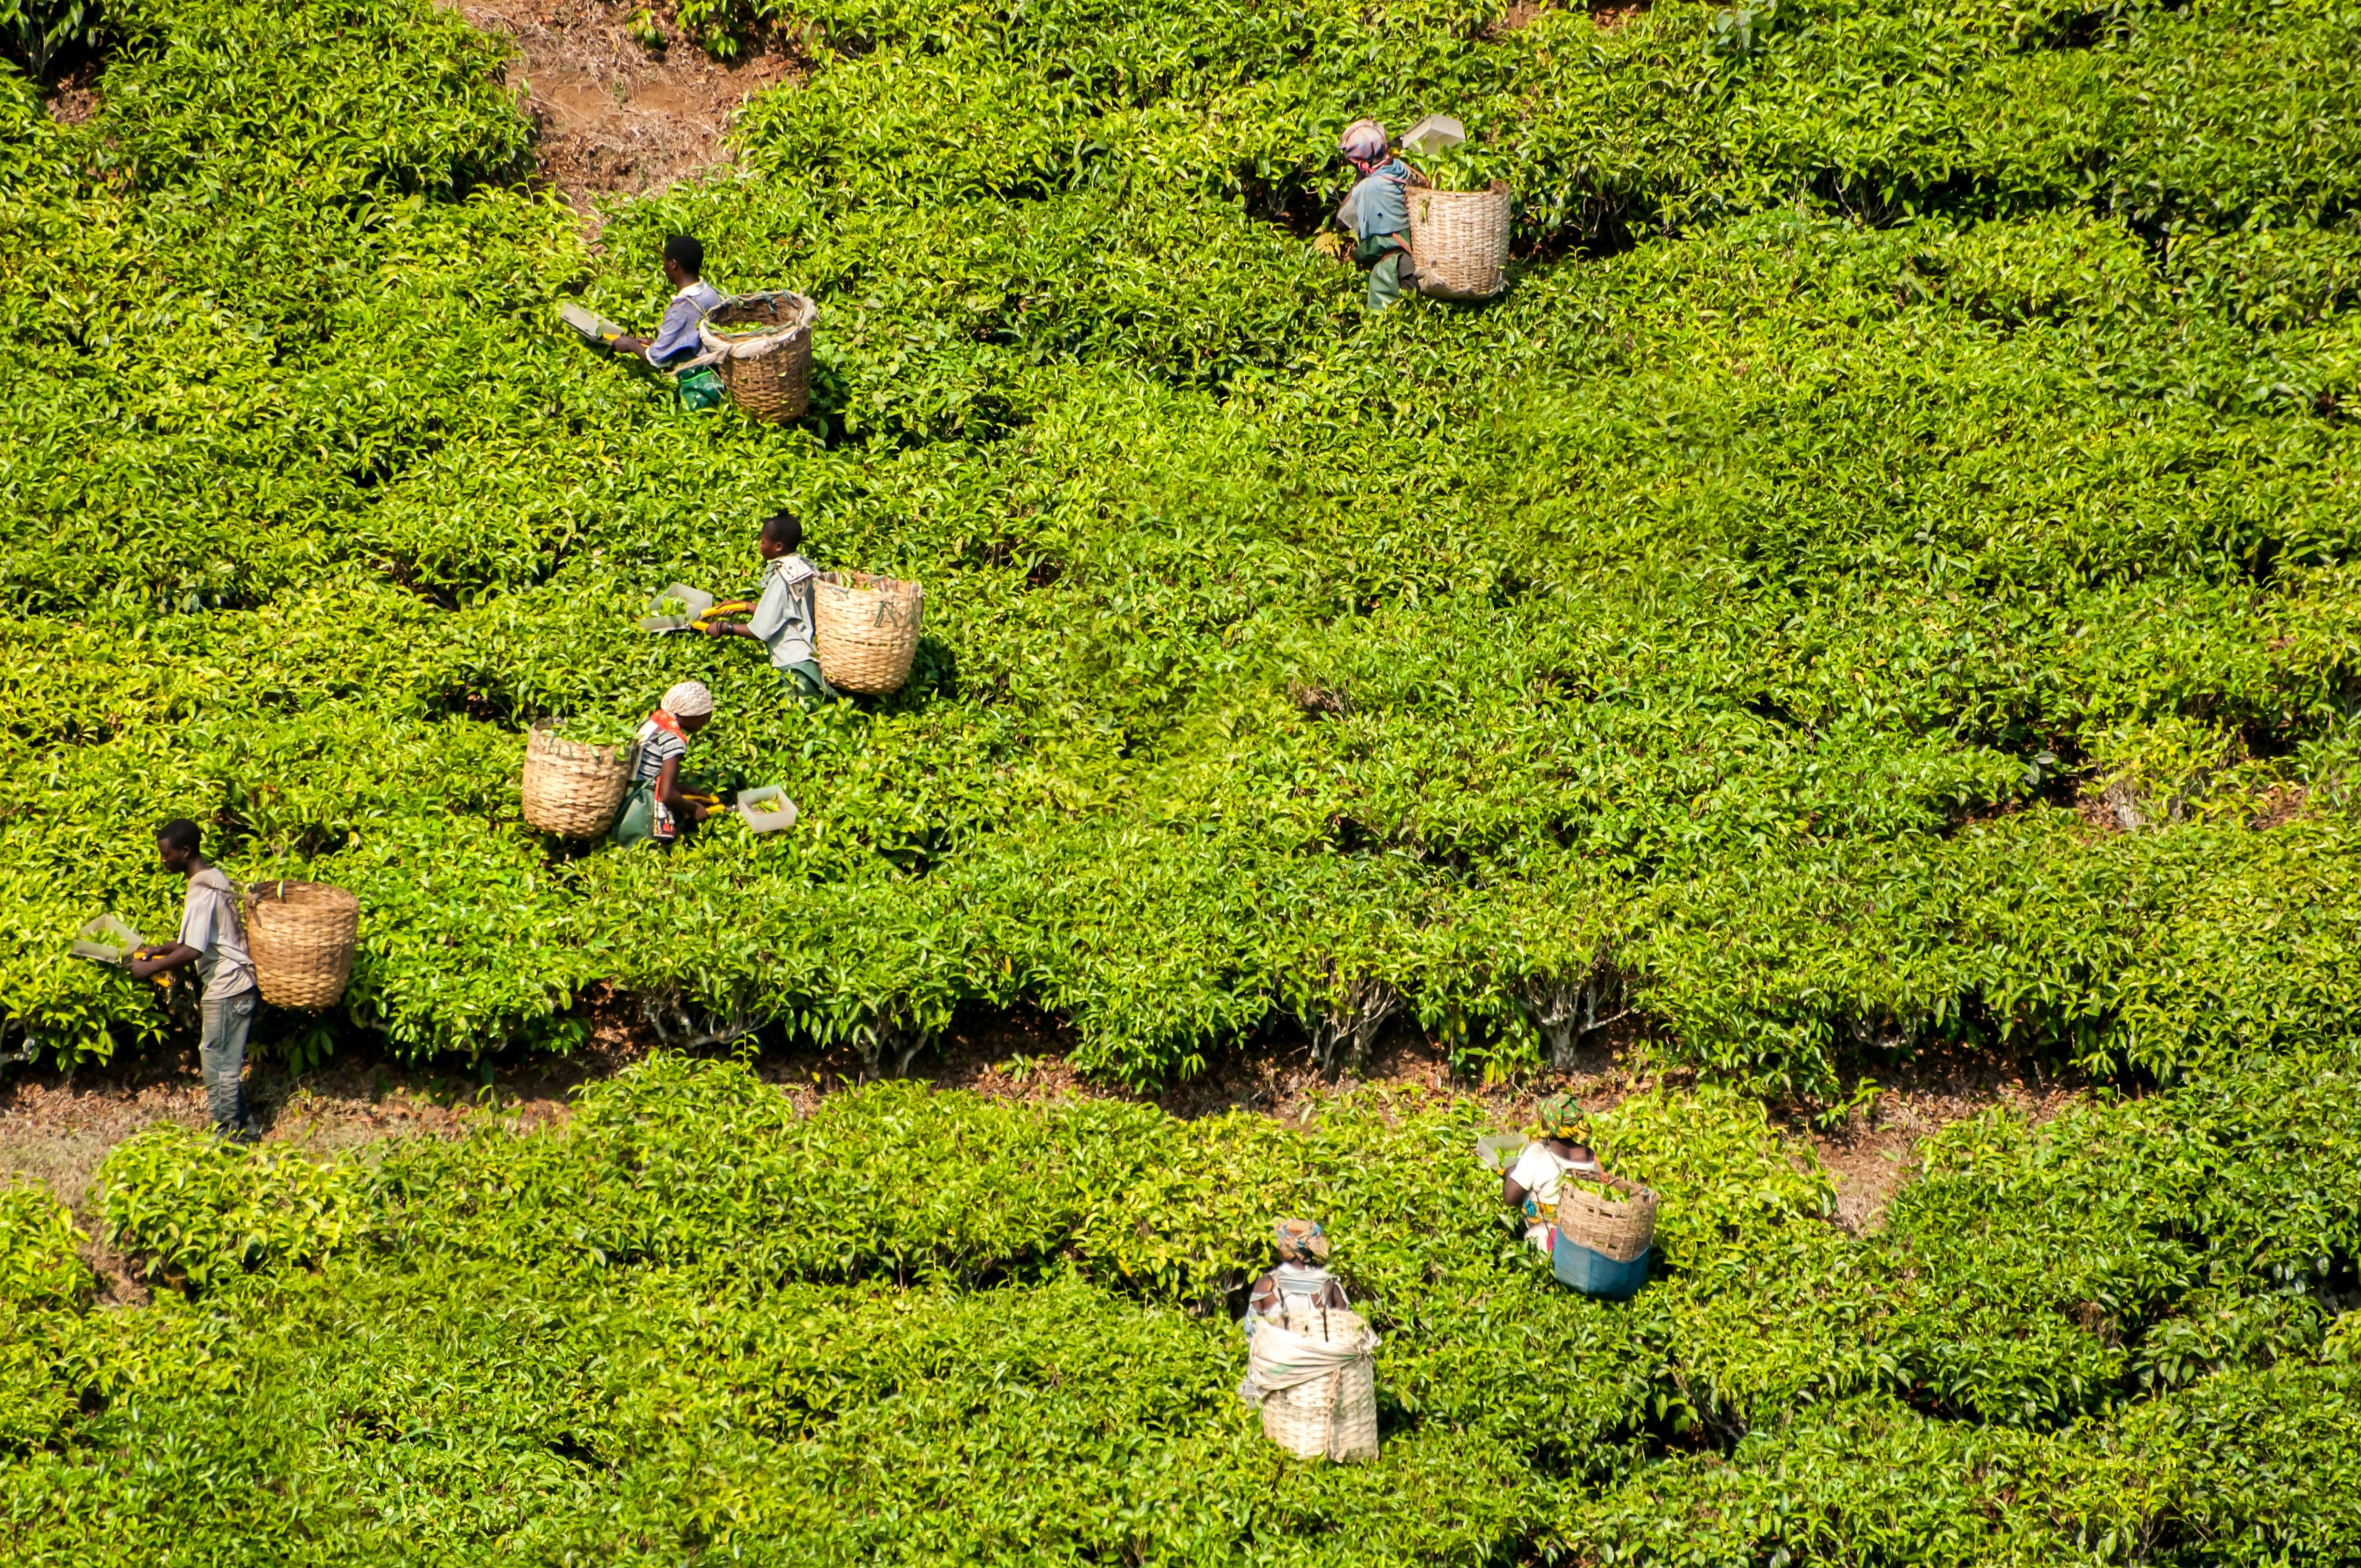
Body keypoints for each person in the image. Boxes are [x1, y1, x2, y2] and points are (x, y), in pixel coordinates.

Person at [128, 820, 260, 1141]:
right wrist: (159, 950)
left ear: (185, 852)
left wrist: (148, 970)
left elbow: (193, 949)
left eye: (167, 855)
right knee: (221, 1062)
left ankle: (230, 1139)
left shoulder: (201, 889)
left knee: (218, 1066)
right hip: (237, 984)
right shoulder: (214, 877)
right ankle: (245, 1132)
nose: (163, 861)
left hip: (228, 986)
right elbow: (199, 937)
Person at [703, 510, 834, 701]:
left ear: (778, 547)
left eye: (763, 542)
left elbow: (759, 631)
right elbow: (785, 609)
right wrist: (743, 605)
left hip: (795, 667)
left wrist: (724, 627)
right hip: (809, 659)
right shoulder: (805, 567)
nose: (760, 545)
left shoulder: (782, 578)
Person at [612, 681, 716, 847]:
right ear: (688, 714)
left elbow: (647, 773)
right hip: (643, 810)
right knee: (644, 853)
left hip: (626, 798)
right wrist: (694, 808)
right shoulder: (674, 739)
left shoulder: (653, 723)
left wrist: (684, 789)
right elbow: (667, 796)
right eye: (704, 716)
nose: (706, 721)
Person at [1335, 120, 1423, 309]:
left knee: (1386, 322)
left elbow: (1341, 223)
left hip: (1396, 271)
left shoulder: (1369, 187)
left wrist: (1358, 179)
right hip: (1418, 263)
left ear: (1360, 162)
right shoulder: (1401, 168)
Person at [1503, 1096, 1604, 1258]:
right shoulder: (1591, 1157)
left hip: (1547, 1241)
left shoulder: (1538, 1152)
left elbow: (1510, 1199)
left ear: (1551, 1122)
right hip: (1581, 1242)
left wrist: (1510, 1173)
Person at [610, 235, 723, 369]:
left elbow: (657, 359)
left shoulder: (681, 308)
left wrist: (631, 344)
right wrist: (657, 344)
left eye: (665, 262)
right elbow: (692, 339)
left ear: (674, 265)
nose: (663, 268)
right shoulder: (710, 293)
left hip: (700, 376)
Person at [1241, 1218, 1350, 1339]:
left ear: (1285, 1248)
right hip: (1318, 1350)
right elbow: (1345, 1329)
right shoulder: (1330, 1285)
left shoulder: (1267, 1283)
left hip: (1278, 1350)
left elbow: (1251, 1331)